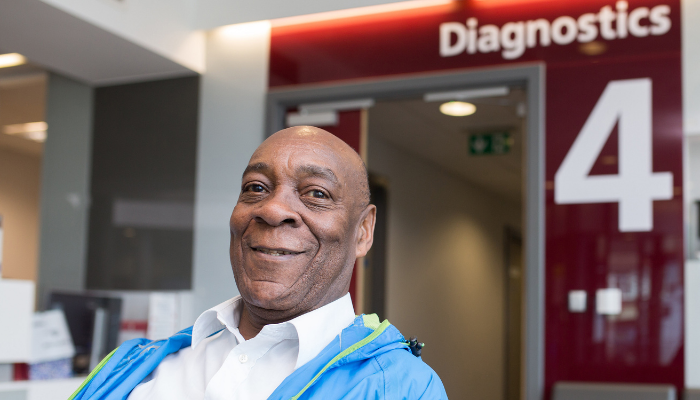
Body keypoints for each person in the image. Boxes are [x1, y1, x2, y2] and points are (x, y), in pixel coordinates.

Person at [68, 126, 448, 400]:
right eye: (256, 188)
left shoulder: (402, 389)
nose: (273, 209)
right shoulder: (133, 366)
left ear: (363, 231)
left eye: (316, 193)